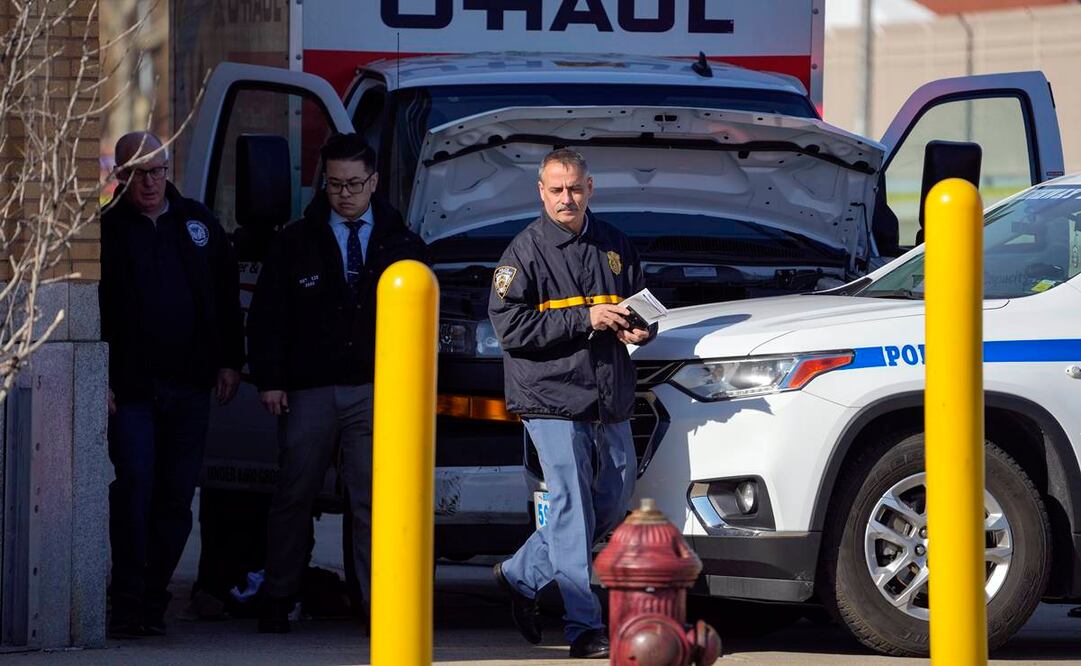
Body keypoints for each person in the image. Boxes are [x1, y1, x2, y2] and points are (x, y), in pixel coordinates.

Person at [247, 133, 428, 633]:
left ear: (374, 181)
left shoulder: (402, 240)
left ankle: (376, 605)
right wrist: (270, 380)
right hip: (308, 389)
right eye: (333, 184)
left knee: (371, 500)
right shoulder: (295, 241)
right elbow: (268, 318)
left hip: (375, 390)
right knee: (294, 492)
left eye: (353, 184)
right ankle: (280, 596)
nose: (344, 194)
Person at [488, 148, 655, 659]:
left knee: (608, 502)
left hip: (609, 396)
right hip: (550, 397)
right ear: (541, 191)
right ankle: (584, 626)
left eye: (575, 188)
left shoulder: (615, 244)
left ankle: (520, 574)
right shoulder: (525, 251)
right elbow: (509, 328)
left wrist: (642, 330)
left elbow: (640, 303)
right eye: (557, 189)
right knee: (571, 509)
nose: (567, 197)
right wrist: (586, 319)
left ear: (591, 188)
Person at [100, 131, 244, 637]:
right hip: (132, 390)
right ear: (119, 176)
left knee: (176, 498)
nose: (151, 182)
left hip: (189, 387)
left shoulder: (198, 224)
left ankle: (154, 599)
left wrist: (230, 362)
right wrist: (99, 379)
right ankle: (127, 601)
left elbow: (226, 298)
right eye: (139, 173)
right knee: (134, 490)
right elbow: (95, 310)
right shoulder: (106, 231)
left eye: (158, 170)